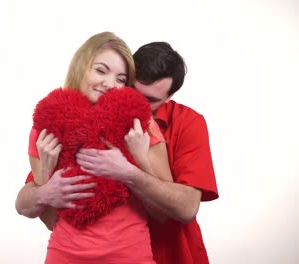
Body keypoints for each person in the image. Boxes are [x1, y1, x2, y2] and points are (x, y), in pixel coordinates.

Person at [15, 32, 173, 263]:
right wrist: (45, 184)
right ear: (81, 66)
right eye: (101, 70)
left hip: (130, 255)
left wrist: (138, 161)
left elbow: (164, 213)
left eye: (120, 79)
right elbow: (44, 217)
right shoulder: (50, 125)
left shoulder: (141, 125)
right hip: (65, 254)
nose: (109, 84)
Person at [74, 42, 219, 263]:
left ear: (168, 97)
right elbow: (36, 198)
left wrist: (129, 172)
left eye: (150, 100)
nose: (137, 103)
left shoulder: (189, 122)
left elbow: (187, 208)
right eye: (132, 90)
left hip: (173, 254)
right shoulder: (92, 114)